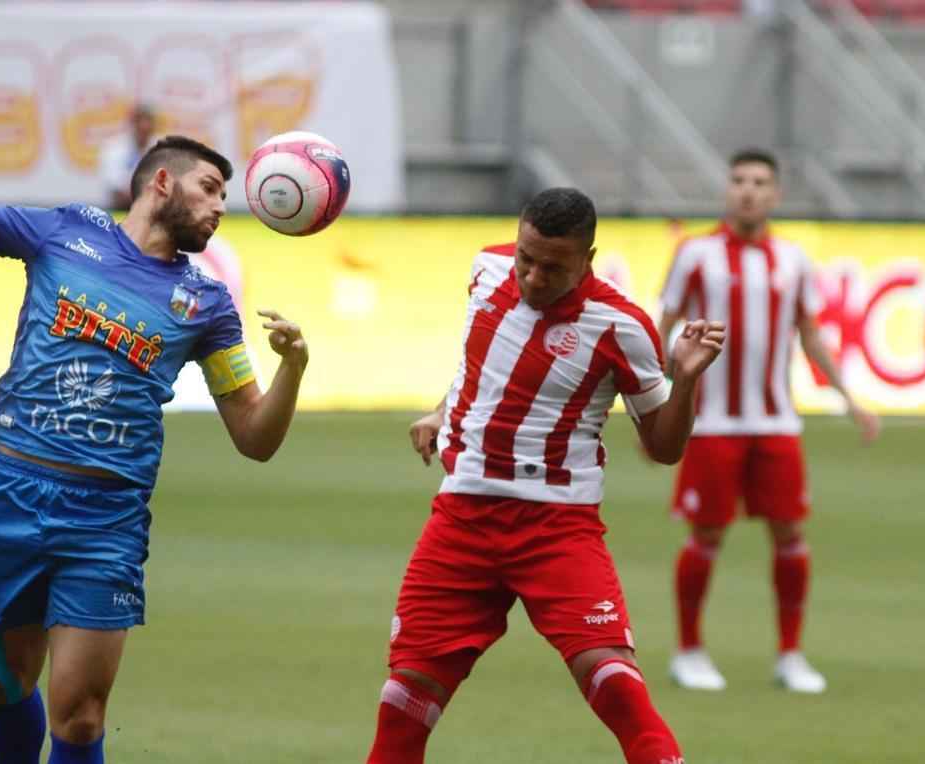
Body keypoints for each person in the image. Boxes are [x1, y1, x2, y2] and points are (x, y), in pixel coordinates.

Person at [0, 48, 309, 764]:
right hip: (11, 490)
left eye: (227, 194)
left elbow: (255, 436)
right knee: (3, 683)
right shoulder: (61, 235)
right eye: (210, 187)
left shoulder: (206, 304)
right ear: (160, 182)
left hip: (106, 517)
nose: (223, 205)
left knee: (79, 718)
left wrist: (293, 368)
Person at [365, 187, 725, 764]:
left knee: (615, 686)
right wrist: (443, 409)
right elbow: (478, 358)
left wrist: (684, 380)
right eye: (525, 260)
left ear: (587, 257)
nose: (532, 277)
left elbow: (663, 448)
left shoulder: (621, 325)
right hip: (461, 519)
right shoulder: (486, 267)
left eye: (552, 268)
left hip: (556, 527)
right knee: (405, 697)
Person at [658, 148, 880, 694]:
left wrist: (849, 396)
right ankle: (689, 651)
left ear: (775, 194)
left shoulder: (794, 259)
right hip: (710, 423)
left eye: (759, 181)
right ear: (726, 190)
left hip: (777, 421)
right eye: (738, 180)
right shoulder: (695, 255)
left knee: (790, 533)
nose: (748, 190)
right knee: (706, 533)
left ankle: (790, 654)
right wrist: (656, 403)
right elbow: (662, 327)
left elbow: (809, 332)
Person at [99, 103, 157, 210]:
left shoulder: (161, 148)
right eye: (139, 123)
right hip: (120, 210)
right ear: (132, 124)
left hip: (152, 210)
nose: (144, 127)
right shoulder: (114, 148)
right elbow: (114, 186)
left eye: (147, 123)